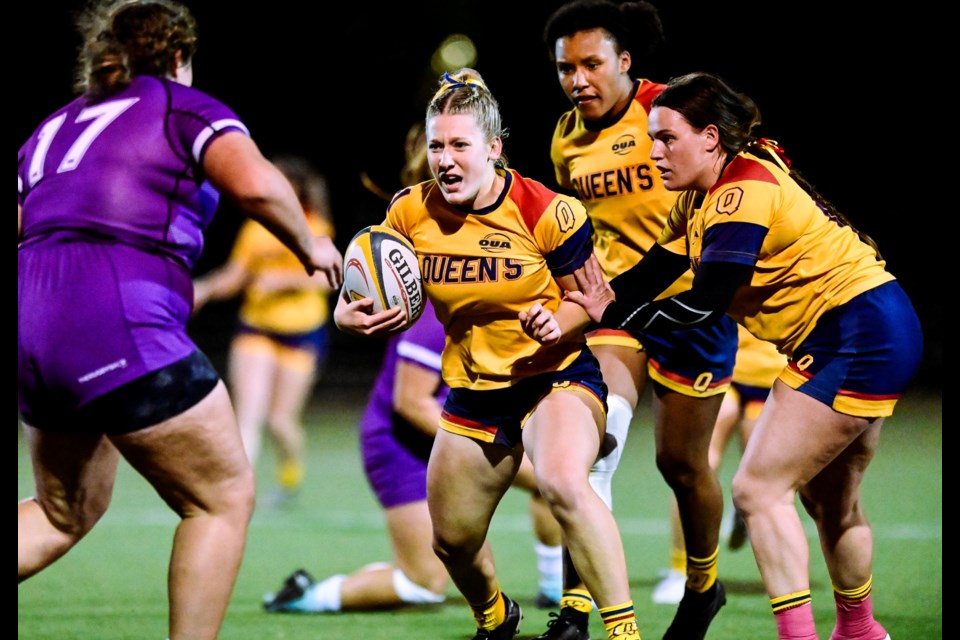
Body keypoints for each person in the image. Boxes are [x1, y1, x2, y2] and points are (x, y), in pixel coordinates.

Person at [527, 71, 922, 640]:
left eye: (667, 138)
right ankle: (860, 631)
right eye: (651, 137)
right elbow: (654, 272)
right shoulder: (698, 197)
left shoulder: (742, 189)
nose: (653, 151)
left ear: (711, 137)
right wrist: (595, 303)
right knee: (829, 499)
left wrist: (608, 319)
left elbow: (709, 296)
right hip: (873, 323)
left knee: (756, 491)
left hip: (853, 332)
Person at [16, 2, 342, 639]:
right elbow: (257, 186)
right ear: (176, 56)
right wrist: (312, 245)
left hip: (33, 323)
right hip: (114, 320)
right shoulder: (179, 104)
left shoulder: (48, 130)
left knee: (61, 514)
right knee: (220, 498)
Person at [334, 68, 642, 640]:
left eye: (459, 145)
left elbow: (595, 299)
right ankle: (497, 620)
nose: (445, 160)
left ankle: (625, 635)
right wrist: (343, 313)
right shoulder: (409, 211)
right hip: (476, 393)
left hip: (556, 379)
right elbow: (367, 280)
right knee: (450, 540)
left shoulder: (547, 210)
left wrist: (558, 319)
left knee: (565, 484)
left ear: (494, 148)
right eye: (436, 146)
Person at [540, 3, 735, 637]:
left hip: (690, 309)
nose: (578, 79)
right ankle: (575, 609)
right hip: (616, 312)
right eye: (566, 67)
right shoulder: (565, 138)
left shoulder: (674, 111)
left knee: (682, 466)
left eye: (592, 64)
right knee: (594, 449)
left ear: (626, 62)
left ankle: (703, 587)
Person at [192, 154, 336, 506]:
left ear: (297, 190)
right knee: (249, 415)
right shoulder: (255, 229)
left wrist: (283, 281)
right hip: (256, 328)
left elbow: (327, 279)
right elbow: (235, 276)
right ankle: (241, 491)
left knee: (280, 421)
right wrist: (205, 288)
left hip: (302, 333)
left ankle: (290, 473)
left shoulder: (316, 228)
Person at [654, 327, 789, 605]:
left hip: (775, 376)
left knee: (762, 481)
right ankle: (681, 570)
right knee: (696, 465)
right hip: (728, 369)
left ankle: (741, 507)